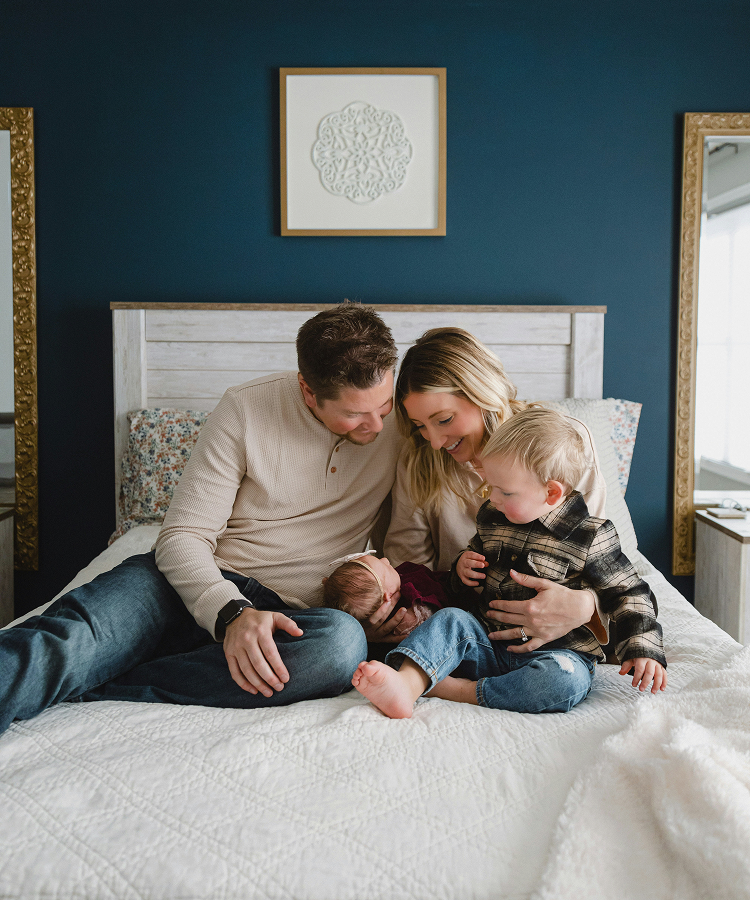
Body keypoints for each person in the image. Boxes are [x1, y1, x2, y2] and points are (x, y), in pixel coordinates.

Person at [0, 303, 405, 735]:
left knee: (341, 646)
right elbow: (182, 537)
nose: (376, 426)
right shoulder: (246, 407)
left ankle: (105, 682)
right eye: (355, 414)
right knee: (68, 641)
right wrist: (231, 613)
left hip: (292, 617)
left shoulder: (405, 421)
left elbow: (418, 529)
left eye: (382, 406)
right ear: (308, 391)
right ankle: (91, 664)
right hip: (184, 584)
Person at [353, 407, 667, 719]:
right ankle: (406, 685)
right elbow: (463, 584)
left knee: (566, 679)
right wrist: (462, 569)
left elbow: (630, 594)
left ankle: (458, 691)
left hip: (553, 652)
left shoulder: (591, 536)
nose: (493, 499)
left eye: (505, 491)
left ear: (551, 492)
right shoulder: (493, 518)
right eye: (491, 488)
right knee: (450, 620)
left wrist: (643, 649)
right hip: (485, 641)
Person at [383, 326, 610, 652]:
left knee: (560, 676)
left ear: (482, 394)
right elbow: (411, 568)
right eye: (421, 426)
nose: (434, 441)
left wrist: (584, 606)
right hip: (465, 625)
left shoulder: (561, 442)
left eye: (444, 419)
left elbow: (599, 557)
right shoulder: (420, 463)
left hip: (558, 626)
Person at [321, 551, 449, 638]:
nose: (386, 560)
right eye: (386, 567)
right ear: (388, 597)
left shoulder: (399, 578)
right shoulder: (409, 612)